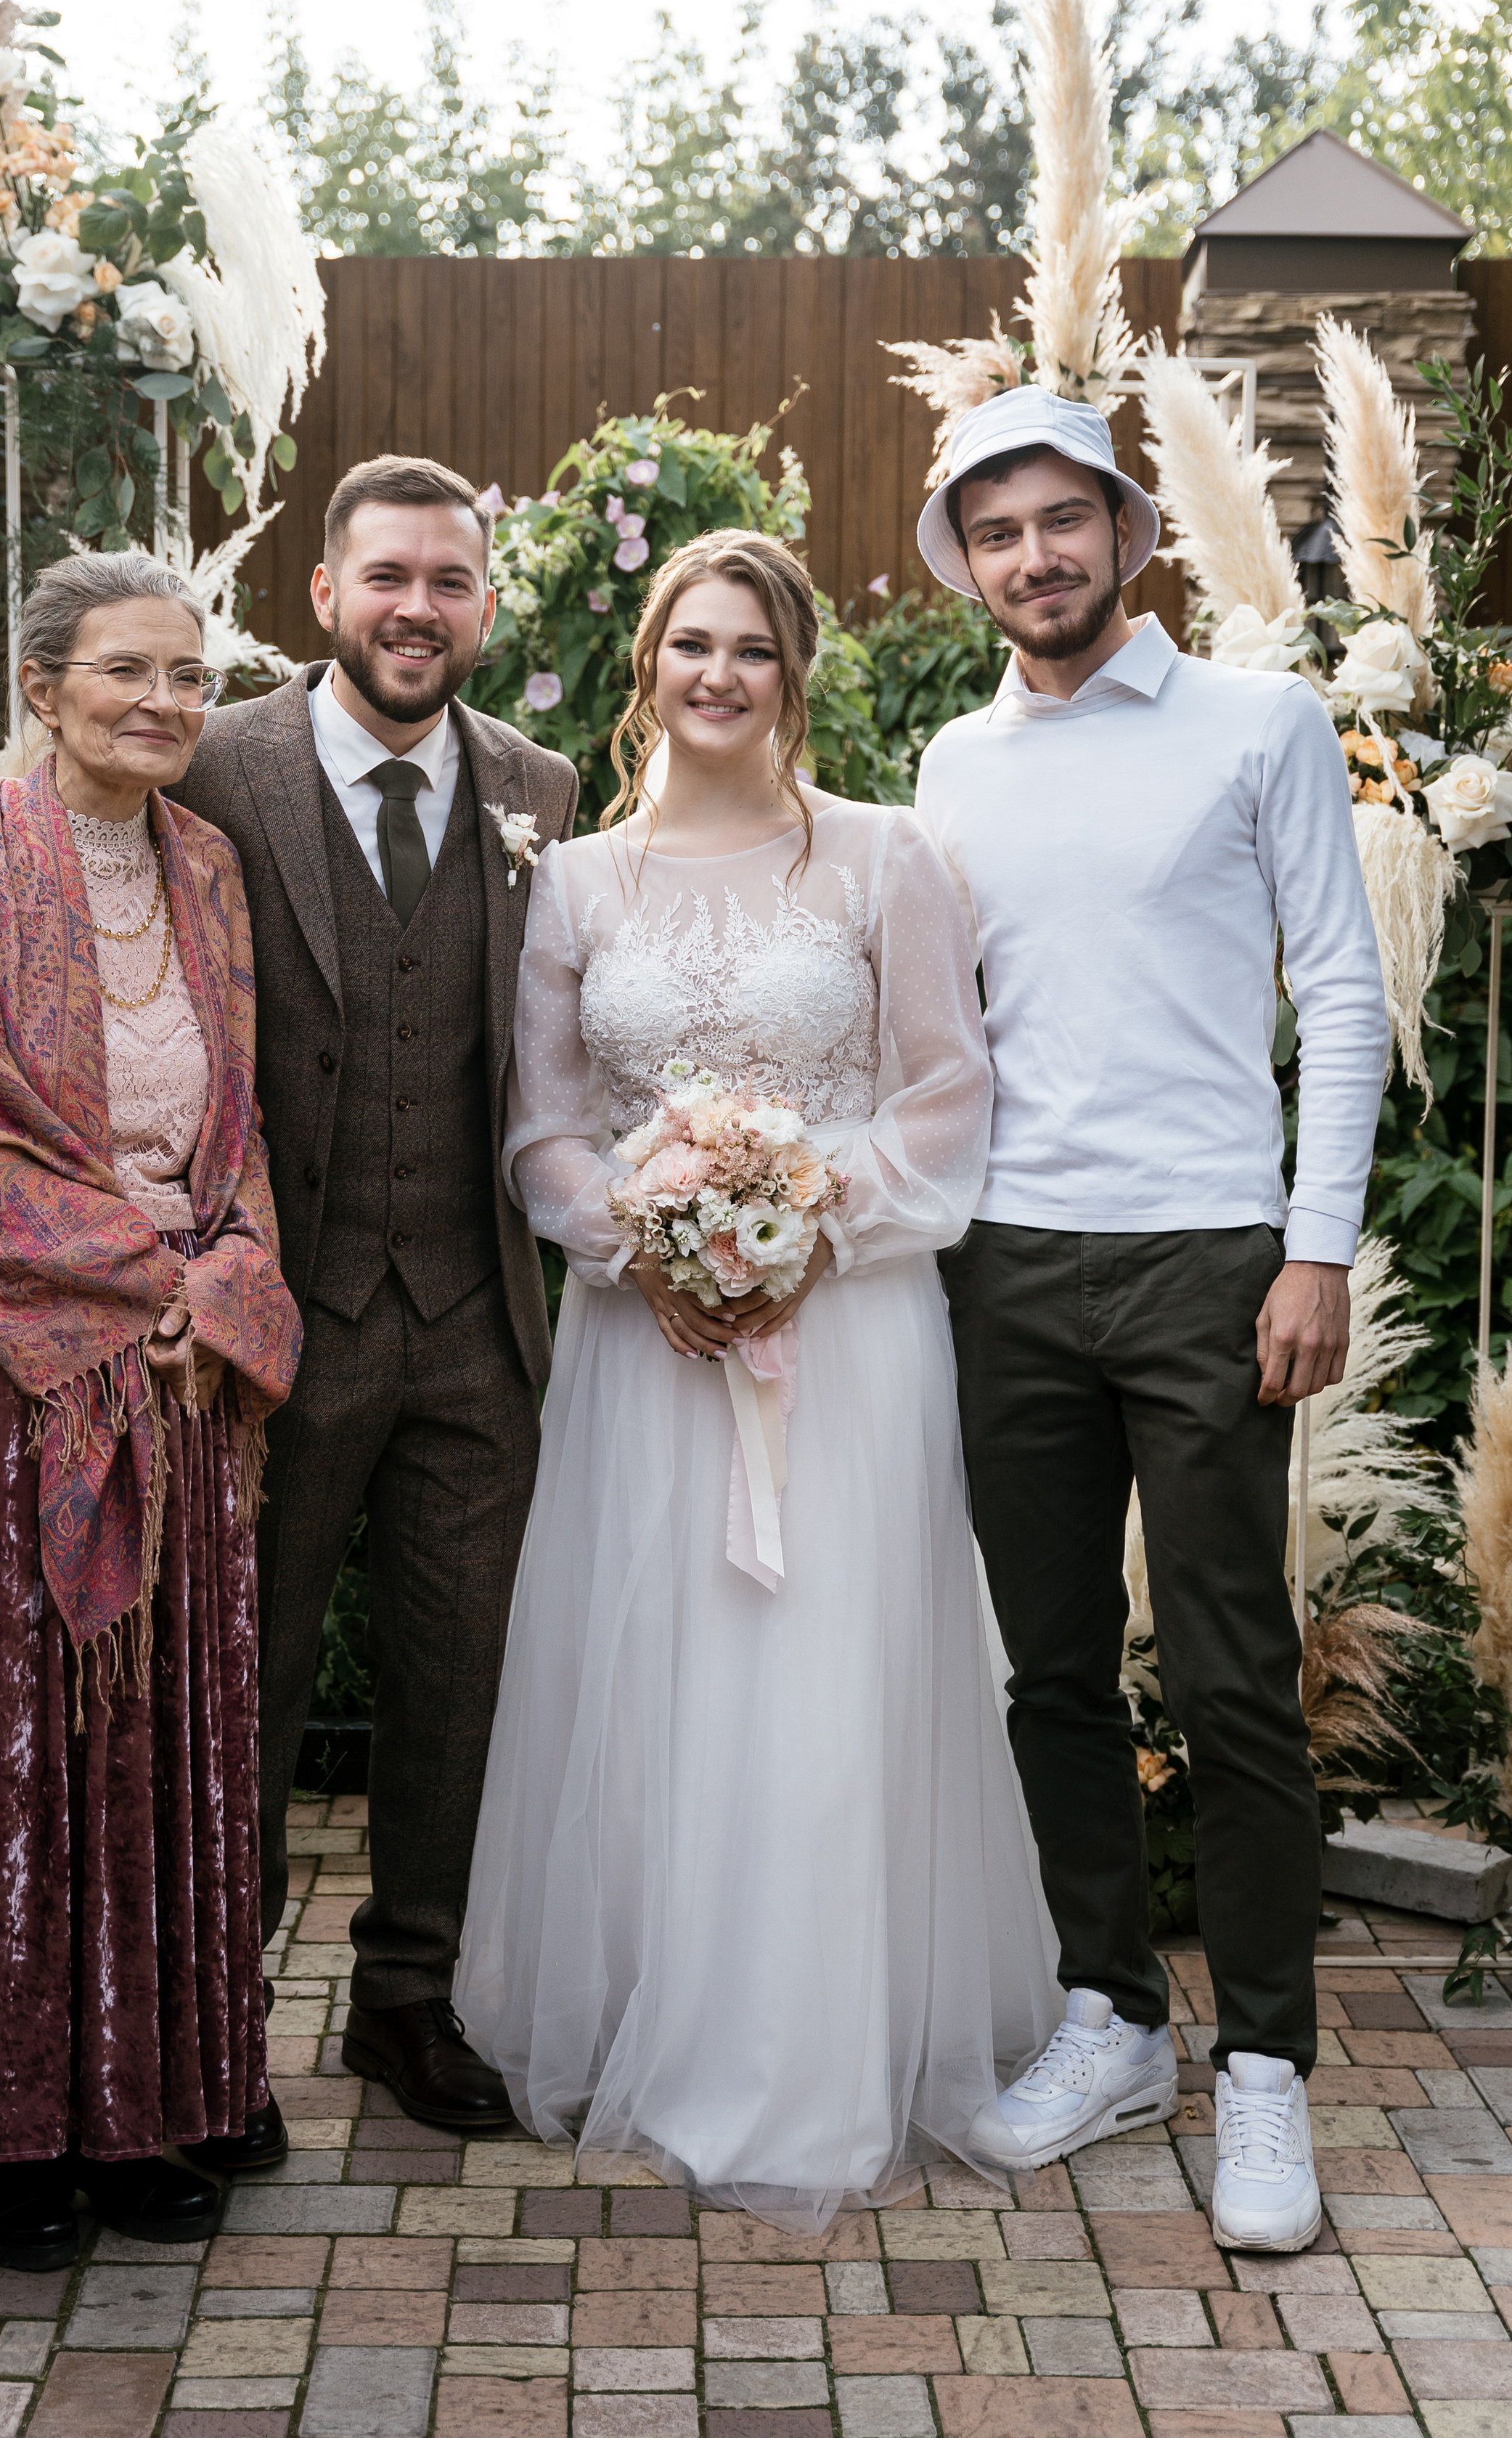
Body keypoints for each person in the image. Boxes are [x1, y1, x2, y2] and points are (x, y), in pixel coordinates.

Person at [454, 529, 1060, 2232]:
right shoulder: (573, 883)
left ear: (797, 677)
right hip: (645, 1347)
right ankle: (669, 2011)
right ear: (646, 659)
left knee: (824, 1673)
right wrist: (642, 1243)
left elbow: (948, 1095)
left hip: (850, 1336)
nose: (718, 676)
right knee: (660, 1678)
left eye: (754, 652)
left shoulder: (885, 861)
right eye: (691, 645)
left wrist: (801, 1220)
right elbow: (542, 1129)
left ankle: (819, 2048)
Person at [913, 386, 1389, 2254]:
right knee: (1042, 1669)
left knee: (1223, 1672)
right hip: (1003, 1263)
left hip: (1207, 1256)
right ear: (968, 560)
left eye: (1060, 521)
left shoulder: (1255, 724)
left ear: (1122, 525)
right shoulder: (952, 761)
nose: (1032, 557)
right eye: (995, 532)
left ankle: (1260, 2064)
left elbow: (1341, 996)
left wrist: (1315, 1246)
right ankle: (1110, 2016)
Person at [0, 553, 303, 2271]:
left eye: (190, 677)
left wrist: (230, 1291)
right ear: (41, 685)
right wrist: (156, 1288)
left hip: (179, 1376)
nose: (167, 705)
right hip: (6, 1370)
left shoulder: (207, 867)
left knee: (156, 1742)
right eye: (128, 672)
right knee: (8, 1751)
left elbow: (237, 1127)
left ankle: (144, 2108)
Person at [175, 454, 578, 2131]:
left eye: (450, 581)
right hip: (277, 1321)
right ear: (324, 594)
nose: (418, 608)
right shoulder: (208, 766)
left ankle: (409, 1999)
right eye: (387, 577)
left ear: (487, 604)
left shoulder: (542, 790)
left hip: (479, 1324)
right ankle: (213, 2023)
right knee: (240, 1680)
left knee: (457, 1678)